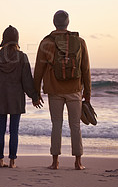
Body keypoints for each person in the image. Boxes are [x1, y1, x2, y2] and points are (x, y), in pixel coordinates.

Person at [34, 10, 91, 170]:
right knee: (75, 125)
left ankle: (55, 162)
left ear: (54, 22)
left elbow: (39, 69)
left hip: (54, 89)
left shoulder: (46, 42)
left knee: (56, 124)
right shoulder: (80, 41)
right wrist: (87, 93)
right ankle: (78, 162)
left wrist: (35, 92)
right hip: (74, 89)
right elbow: (85, 68)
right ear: (68, 23)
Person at [0, 25, 42, 168]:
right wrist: (34, 97)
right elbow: (27, 81)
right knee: (14, 131)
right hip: (16, 98)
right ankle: (12, 161)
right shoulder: (22, 57)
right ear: (17, 40)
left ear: (3, 39)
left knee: (0, 129)